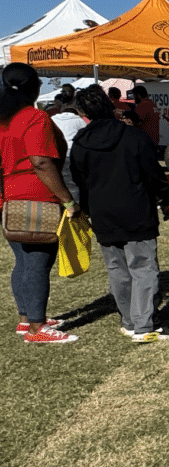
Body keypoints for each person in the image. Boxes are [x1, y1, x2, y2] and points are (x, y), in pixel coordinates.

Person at [71, 85, 169, 342]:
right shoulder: (133, 136)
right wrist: (165, 198)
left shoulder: (80, 144)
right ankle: (143, 325)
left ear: (84, 113)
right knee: (143, 268)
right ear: (110, 106)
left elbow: (78, 181)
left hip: (102, 212)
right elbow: (153, 173)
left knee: (117, 269)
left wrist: (85, 209)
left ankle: (130, 321)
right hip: (135, 209)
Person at [0, 63, 80, 343]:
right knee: (37, 262)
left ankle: (27, 319)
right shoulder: (34, 117)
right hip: (36, 196)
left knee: (22, 260)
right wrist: (68, 200)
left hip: (8, 195)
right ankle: (37, 327)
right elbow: (41, 162)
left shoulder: (4, 119)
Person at [51, 87, 88, 202]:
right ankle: (75, 206)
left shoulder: (52, 119)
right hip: (73, 154)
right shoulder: (81, 121)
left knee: (59, 182)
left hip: (56, 154)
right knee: (73, 184)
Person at [129, 85, 161, 156]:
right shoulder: (152, 104)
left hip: (145, 142)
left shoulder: (143, 105)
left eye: (134, 95)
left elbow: (137, 122)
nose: (134, 98)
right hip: (153, 140)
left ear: (138, 95)